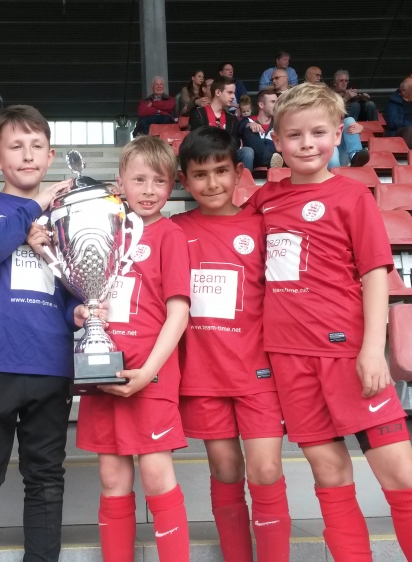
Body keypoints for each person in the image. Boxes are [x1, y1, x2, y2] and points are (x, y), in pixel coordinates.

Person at [256, 82, 412, 562]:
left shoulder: (353, 196)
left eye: (318, 132)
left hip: (348, 354)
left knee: (400, 473)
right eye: (294, 134)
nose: (307, 144)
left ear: (338, 134)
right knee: (330, 476)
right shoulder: (265, 201)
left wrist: (372, 350)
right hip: (289, 359)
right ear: (276, 140)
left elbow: (375, 275)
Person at [0, 105, 90, 562]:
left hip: (50, 365)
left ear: (50, 156)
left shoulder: (66, 217)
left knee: (46, 478)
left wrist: (77, 312)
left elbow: (70, 287)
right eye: (16, 146)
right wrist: (34, 209)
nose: (27, 155)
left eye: (36, 146)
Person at [172, 126, 291, 562]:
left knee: (266, 468)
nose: (212, 183)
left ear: (239, 172)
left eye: (221, 171)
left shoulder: (261, 227)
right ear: (184, 180)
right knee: (224, 468)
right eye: (200, 175)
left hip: (257, 372)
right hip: (203, 376)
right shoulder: (173, 230)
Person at [74, 135, 191, 562]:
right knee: (111, 478)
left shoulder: (170, 235)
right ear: (119, 181)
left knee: (157, 475)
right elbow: (86, 294)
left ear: (171, 185)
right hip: (104, 372)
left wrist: (149, 372)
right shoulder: (104, 232)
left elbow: (179, 314)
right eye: (138, 179)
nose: (148, 190)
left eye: (159, 181)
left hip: (150, 376)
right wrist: (82, 314)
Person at [189, 77, 254, 171]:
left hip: (226, 156)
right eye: (229, 93)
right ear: (218, 92)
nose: (233, 96)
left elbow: (235, 143)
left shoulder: (232, 119)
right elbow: (197, 141)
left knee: (247, 152)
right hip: (206, 156)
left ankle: (245, 180)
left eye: (234, 93)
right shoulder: (198, 114)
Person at [238, 89, 279, 169]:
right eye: (273, 102)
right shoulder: (248, 121)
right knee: (248, 149)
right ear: (261, 105)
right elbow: (240, 127)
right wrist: (249, 124)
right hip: (253, 164)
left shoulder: (278, 124)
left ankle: (273, 162)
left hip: (272, 166)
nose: (276, 105)